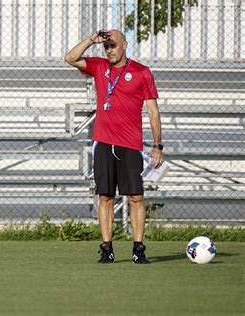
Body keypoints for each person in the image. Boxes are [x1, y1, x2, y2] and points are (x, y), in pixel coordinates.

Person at [64, 29, 163, 264]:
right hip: (104, 142)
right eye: (106, 47)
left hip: (130, 145)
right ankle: (106, 248)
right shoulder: (99, 66)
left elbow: (153, 112)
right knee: (105, 197)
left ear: (125, 45)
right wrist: (91, 40)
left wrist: (158, 145)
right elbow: (70, 58)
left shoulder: (142, 72)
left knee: (136, 197)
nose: (109, 50)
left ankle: (138, 249)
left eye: (113, 46)